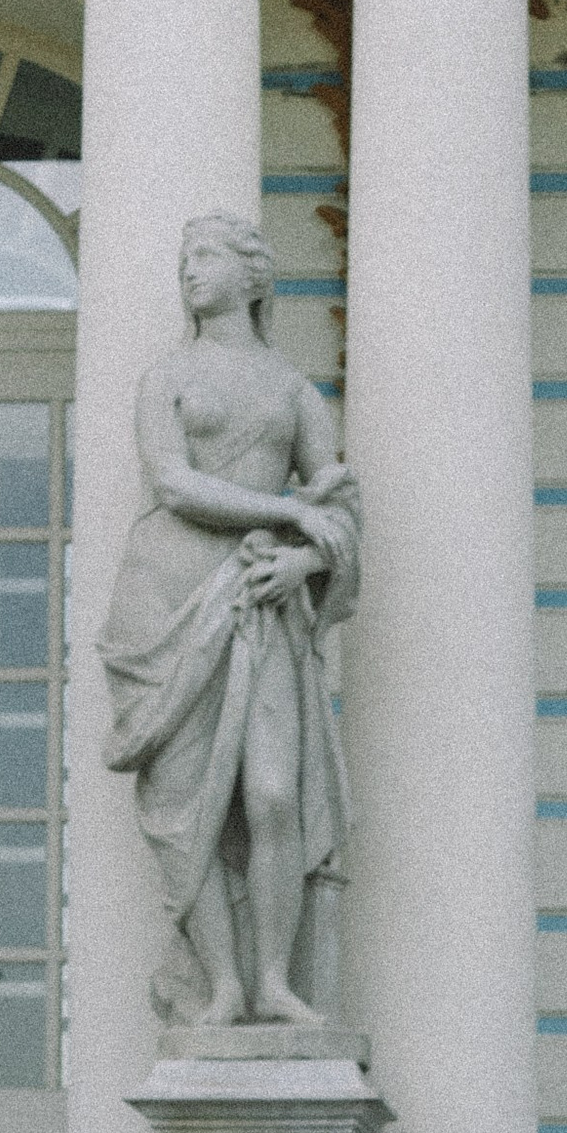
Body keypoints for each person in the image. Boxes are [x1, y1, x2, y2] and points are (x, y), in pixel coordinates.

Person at [99, 210, 361, 1029]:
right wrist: (285, 513)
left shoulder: (291, 389)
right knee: (187, 809)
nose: (191, 271)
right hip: (167, 597)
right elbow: (173, 484)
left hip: (260, 599)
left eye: (207, 256)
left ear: (254, 277)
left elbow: (341, 506)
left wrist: (304, 560)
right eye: (185, 258)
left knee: (274, 796)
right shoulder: (165, 377)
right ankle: (223, 985)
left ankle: (276, 981)